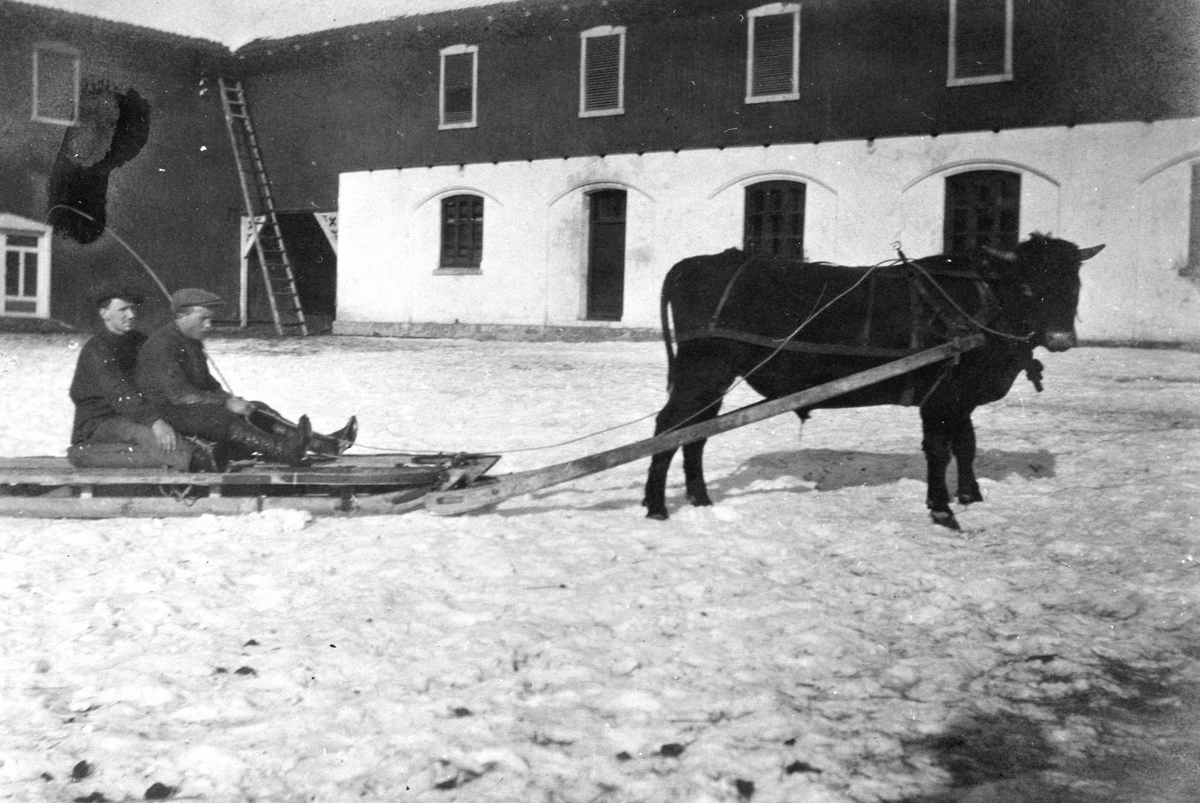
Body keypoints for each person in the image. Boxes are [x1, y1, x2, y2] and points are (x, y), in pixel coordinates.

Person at [135, 288, 355, 468]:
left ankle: (325, 444)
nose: (208, 326)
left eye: (210, 320)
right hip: (169, 412)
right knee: (225, 419)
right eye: (203, 319)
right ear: (181, 316)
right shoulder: (162, 346)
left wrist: (232, 400)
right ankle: (284, 451)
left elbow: (207, 384)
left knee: (256, 408)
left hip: (191, 407)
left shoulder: (190, 341)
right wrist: (226, 403)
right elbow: (179, 394)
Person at [68, 285, 201, 470]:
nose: (131, 315)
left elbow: (161, 371)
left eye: (133, 308)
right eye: (123, 309)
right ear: (104, 313)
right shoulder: (96, 351)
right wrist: (154, 421)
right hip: (99, 422)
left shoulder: (139, 342)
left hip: (136, 413)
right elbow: (120, 394)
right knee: (142, 432)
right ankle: (198, 460)